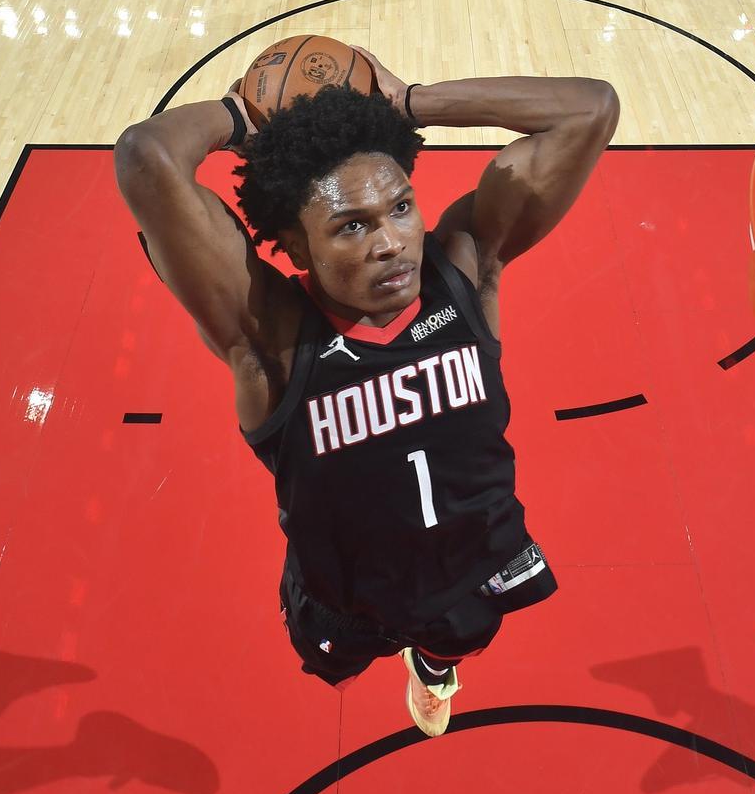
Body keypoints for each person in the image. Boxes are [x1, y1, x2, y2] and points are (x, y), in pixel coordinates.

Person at [113, 50, 619, 736]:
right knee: (336, 668)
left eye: (401, 208)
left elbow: (590, 109)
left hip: (475, 562)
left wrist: (408, 104)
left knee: (459, 641)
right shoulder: (270, 337)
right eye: (352, 225)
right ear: (295, 247)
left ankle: (433, 669)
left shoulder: (465, 267)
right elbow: (145, 157)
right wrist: (238, 118)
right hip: (346, 596)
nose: (391, 243)